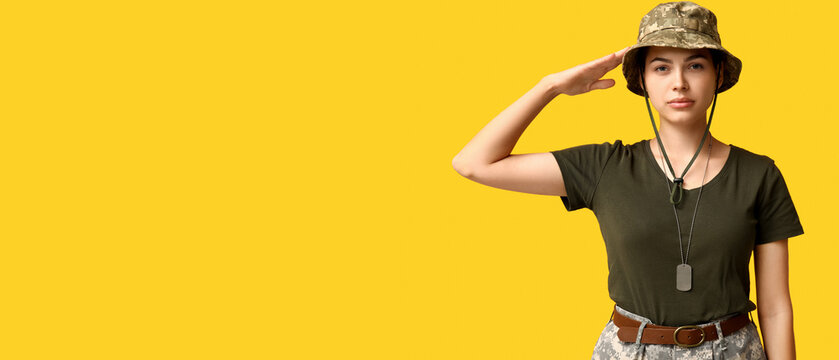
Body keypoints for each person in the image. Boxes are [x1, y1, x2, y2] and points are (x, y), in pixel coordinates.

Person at [451, 2, 803, 359]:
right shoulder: (606, 167)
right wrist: (550, 86)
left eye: (695, 66)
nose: (679, 83)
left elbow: (775, 308)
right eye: (661, 68)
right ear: (642, 81)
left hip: (733, 351)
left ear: (719, 75)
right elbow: (474, 163)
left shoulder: (760, 174)